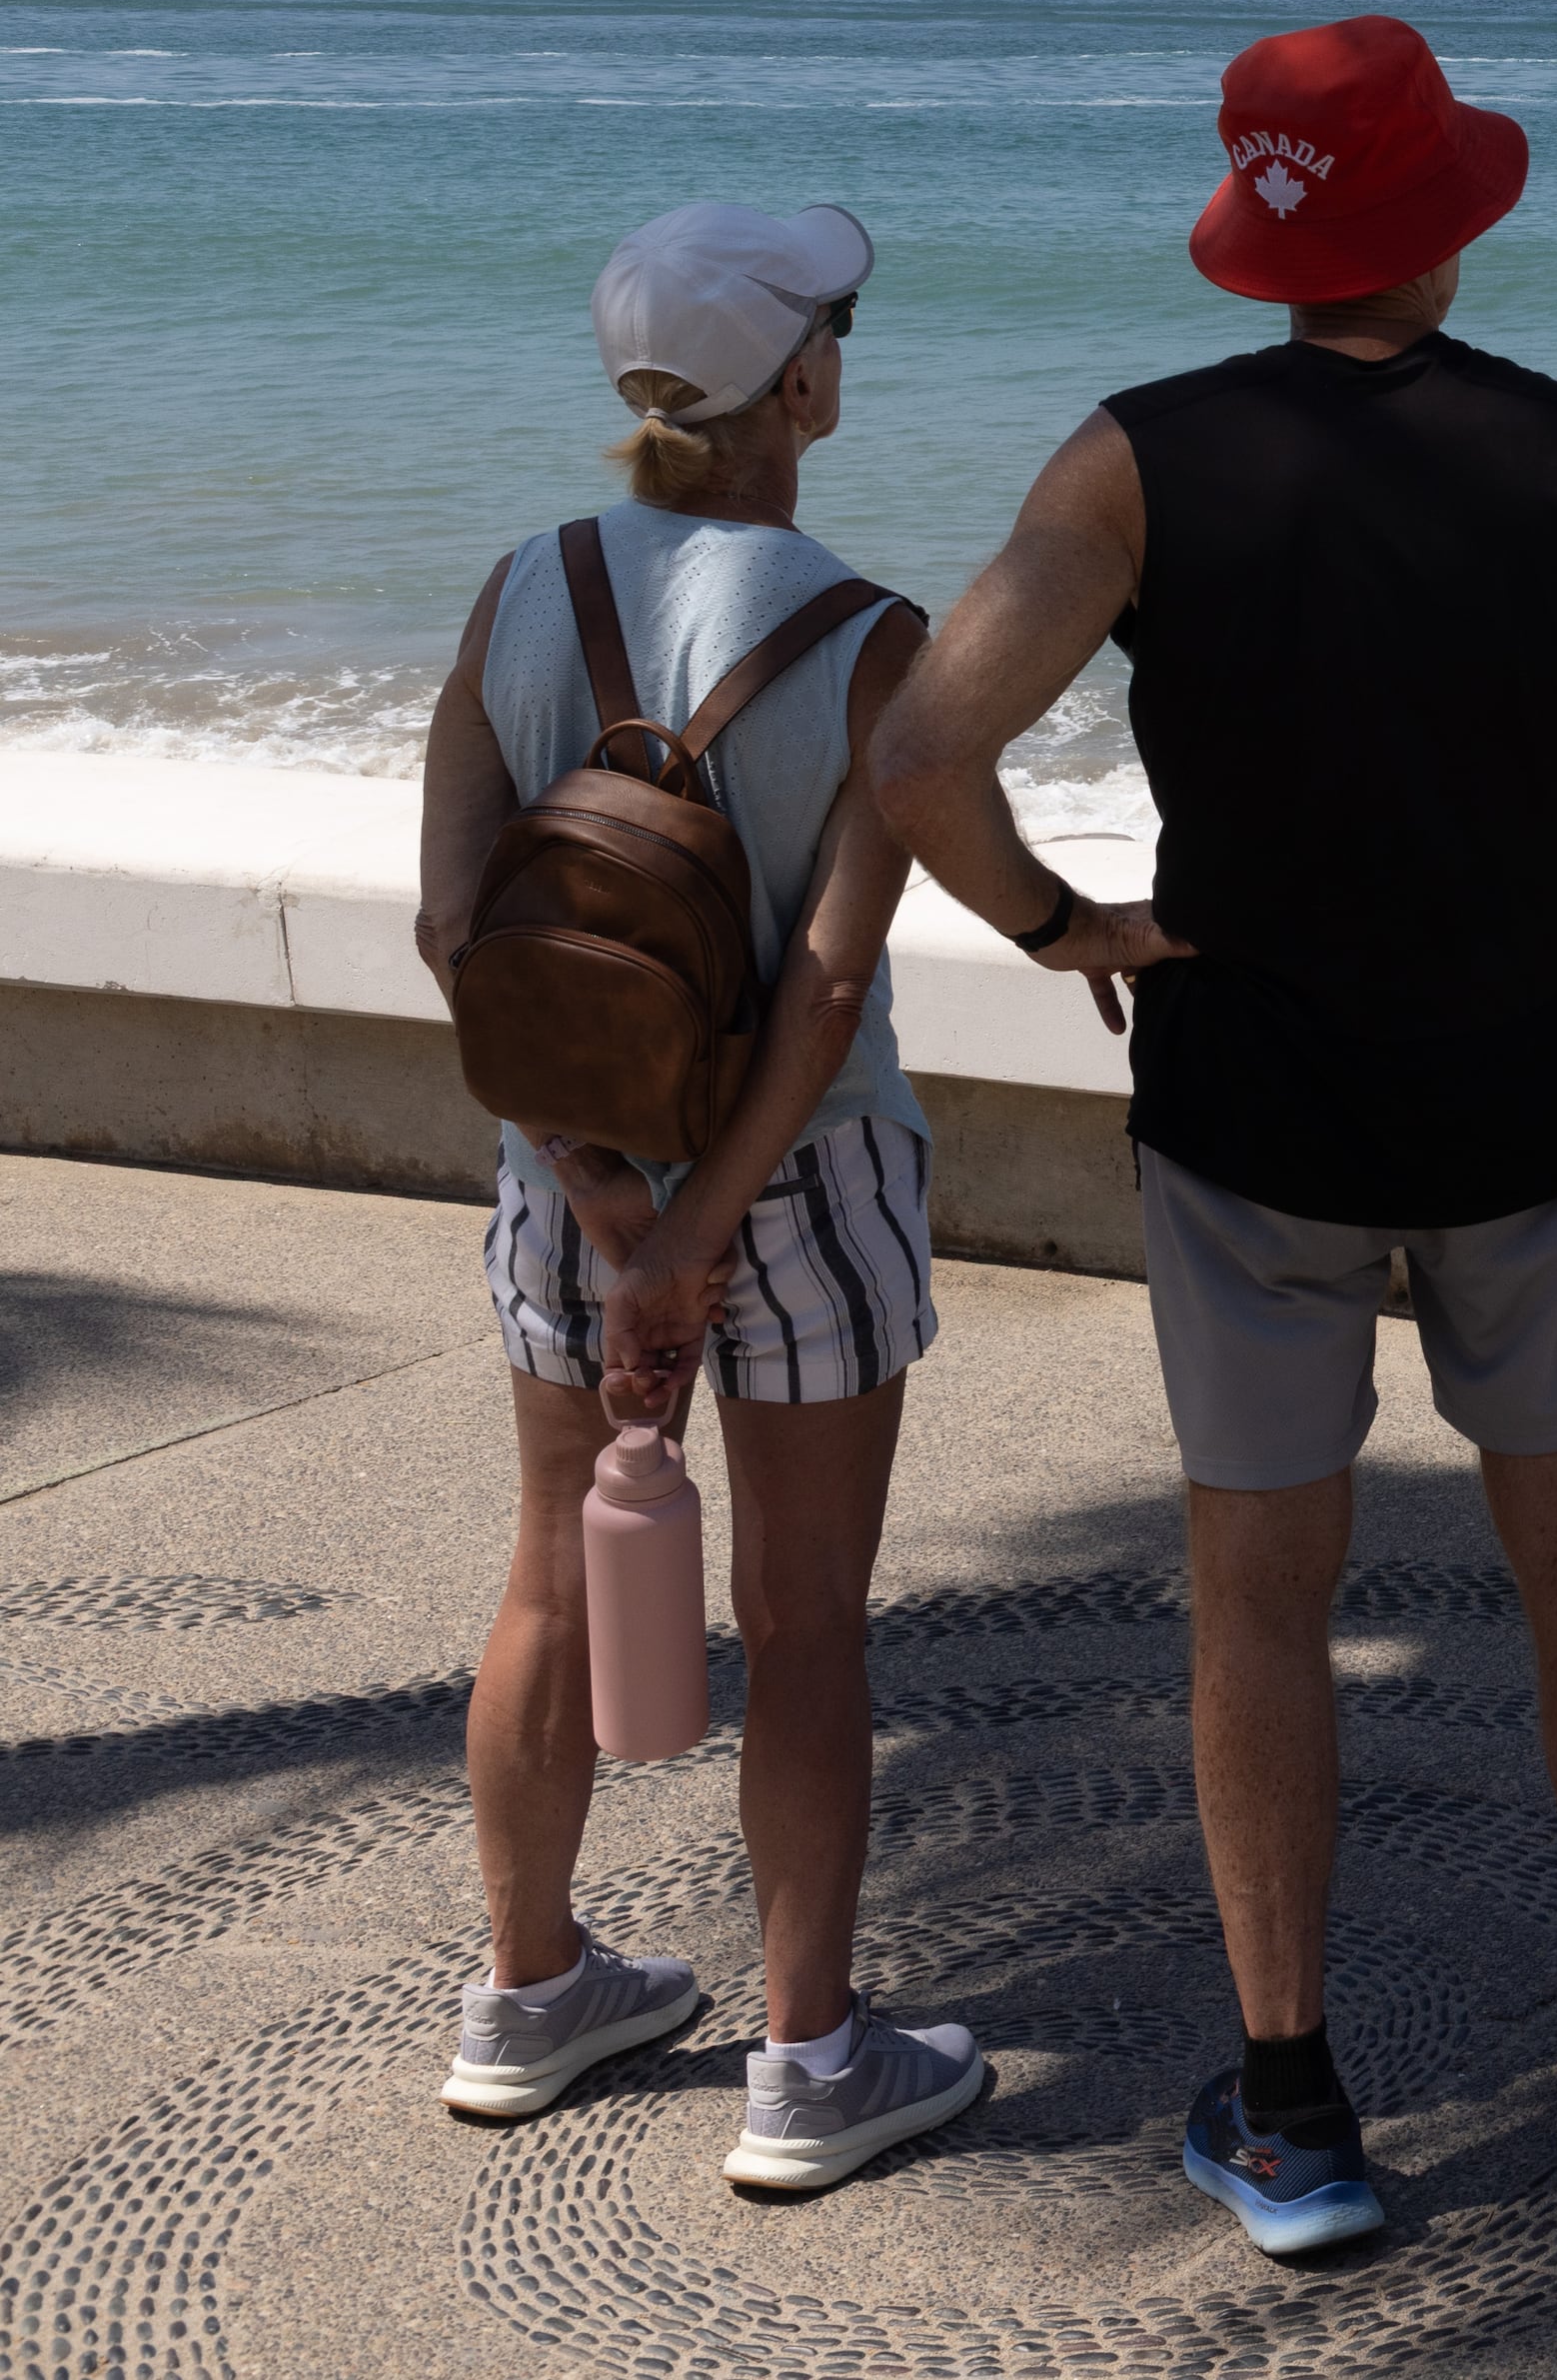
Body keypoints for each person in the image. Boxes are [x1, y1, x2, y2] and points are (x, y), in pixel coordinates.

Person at [874, 14, 1557, 2260]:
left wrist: (1072, 922)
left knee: (1261, 1598)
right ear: (1452, 213)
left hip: (1249, 1111)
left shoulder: (1139, 460)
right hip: (1543, 1105)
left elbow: (921, 754)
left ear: (1265, 235)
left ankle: (1293, 2106)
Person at [411, 203, 994, 2189]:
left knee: (552, 1578)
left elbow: (448, 917)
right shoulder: (868, 630)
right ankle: (810, 2059)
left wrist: (605, 1201)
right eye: (837, 323)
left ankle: (527, 1989)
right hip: (807, 1184)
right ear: (803, 382)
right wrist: (704, 1223)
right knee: (804, 1621)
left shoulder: (520, 587)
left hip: (557, 1183)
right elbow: (825, 983)